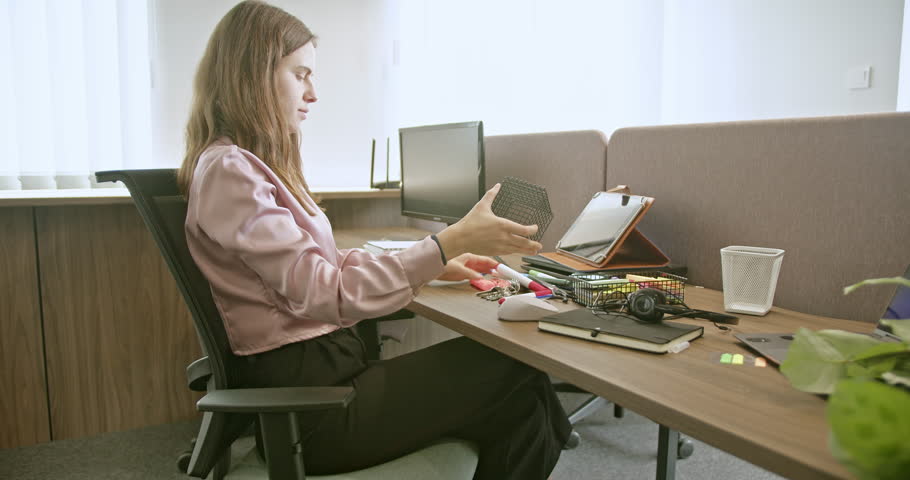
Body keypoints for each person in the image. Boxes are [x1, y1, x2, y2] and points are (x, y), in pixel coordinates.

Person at [177, 1, 571, 479]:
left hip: (326, 376)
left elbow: (320, 264)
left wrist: (430, 261)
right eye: (301, 75)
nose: (313, 93)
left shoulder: (242, 165)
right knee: (516, 370)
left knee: (525, 404)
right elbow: (324, 293)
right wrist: (442, 245)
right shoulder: (231, 171)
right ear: (254, 74)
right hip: (314, 409)